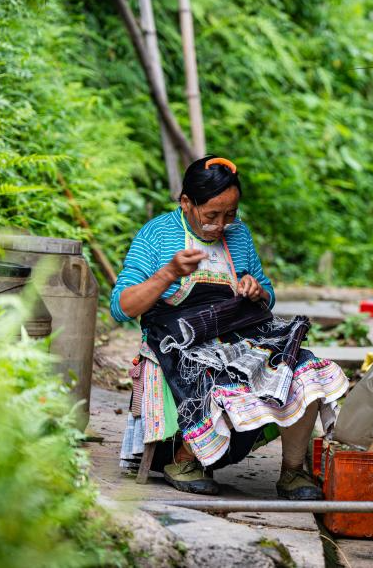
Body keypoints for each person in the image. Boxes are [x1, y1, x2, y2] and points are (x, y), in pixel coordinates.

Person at [112, 155, 348, 499]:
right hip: (180, 339)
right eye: (211, 216)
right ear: (186, 203)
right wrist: (168, 274)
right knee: (217, 371)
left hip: (238, 332)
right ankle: (184, 459)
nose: (221, 225)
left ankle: (293, 473)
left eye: (230, 215)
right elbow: (121, 307)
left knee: (300, 363)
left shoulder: (239, 236)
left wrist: (257, 290)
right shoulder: (158, 236)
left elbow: (267, 296)